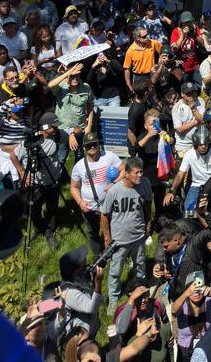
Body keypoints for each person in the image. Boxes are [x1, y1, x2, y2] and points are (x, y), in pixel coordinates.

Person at [100, 156, 153, 308]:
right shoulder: (114, 191)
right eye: (136, 173)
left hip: (138, 236)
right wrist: (107, 237)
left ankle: (140, 291)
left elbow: (149, 202)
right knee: (115, 271)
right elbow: (104, 215)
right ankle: (114, 298)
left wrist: (148, 222)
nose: (140, 176)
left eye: (141, 172)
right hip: (119, 240)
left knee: (140, 266)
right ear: (127, 173)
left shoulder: (145, 184)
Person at [70, 132, 124, 256]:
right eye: (89, 146)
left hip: (110, 205)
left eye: (94, 144)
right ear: (84, 148)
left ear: (99, 144)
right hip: (90, 207)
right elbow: (73, 187)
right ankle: (98, 257)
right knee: (92, 232)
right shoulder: (79, 166)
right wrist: (80, 202)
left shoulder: (109, 156)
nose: (92, 147)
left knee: (113, 229)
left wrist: (115, 182)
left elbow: (124, 170)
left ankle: (115, 253)